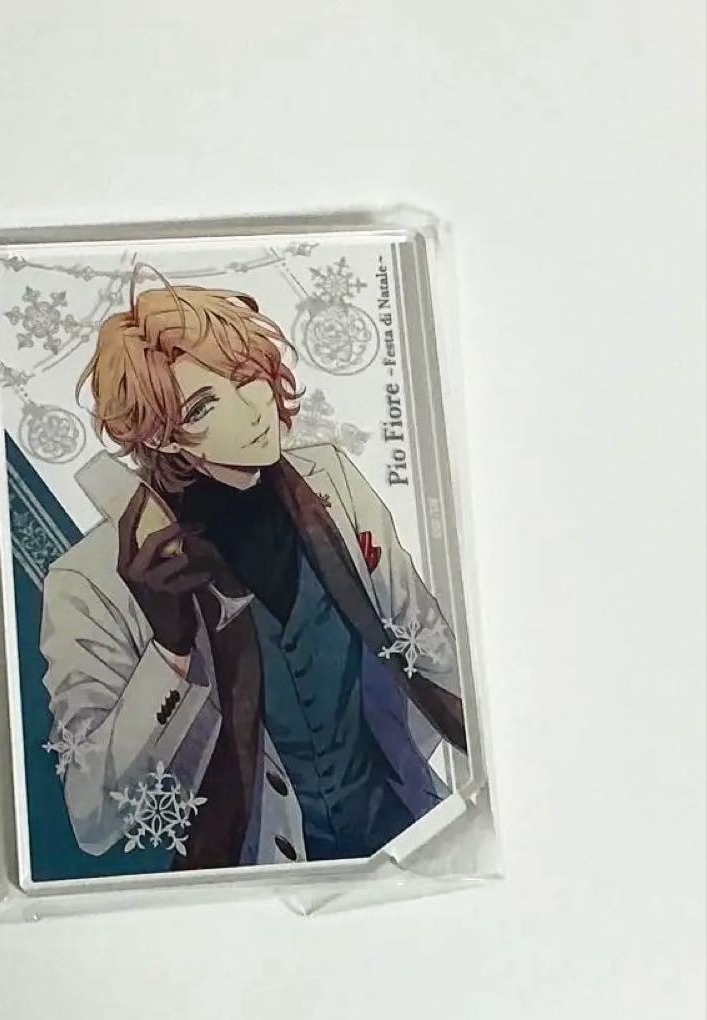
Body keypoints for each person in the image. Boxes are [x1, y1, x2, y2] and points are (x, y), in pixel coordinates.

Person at [39, 276, 467, 871]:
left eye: (245, 376)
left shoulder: (332, 483)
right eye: (203, 406)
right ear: (160, 436)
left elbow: (431, 650)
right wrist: (168, 653)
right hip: (256, 879)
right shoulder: (91, 582)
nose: (250, 411)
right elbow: (91, 816)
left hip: (411, 836)